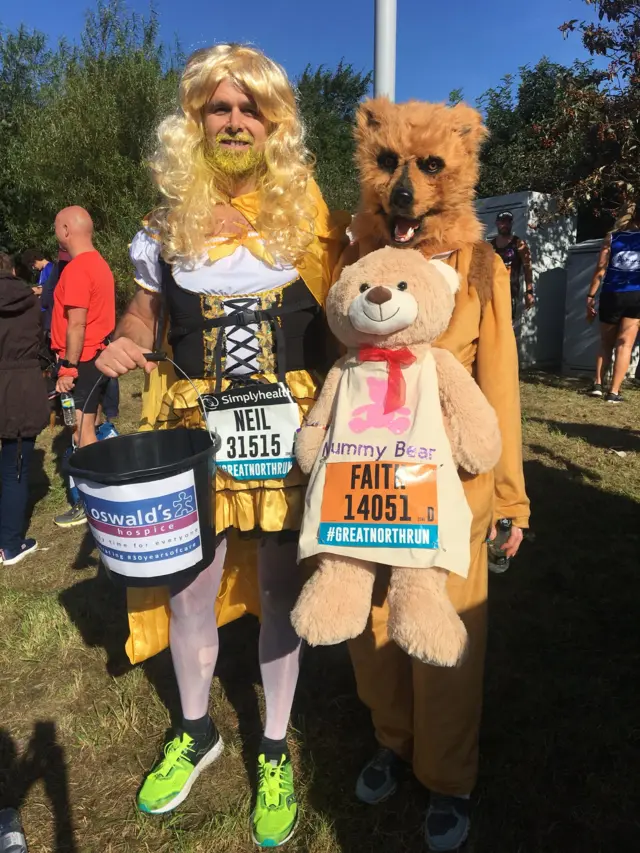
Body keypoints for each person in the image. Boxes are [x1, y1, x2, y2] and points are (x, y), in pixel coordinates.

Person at [95, 44, 346, 847]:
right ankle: (198, 730)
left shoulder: (312, 218)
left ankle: (272, 746)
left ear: (271, 122)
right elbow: (146, 315)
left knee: (280, 590)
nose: (234, 121)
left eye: (249, 109)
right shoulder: (164, 225)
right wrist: (124, 338)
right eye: (219, 108)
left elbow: (346, 319)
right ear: (195, 120)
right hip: (194, 427)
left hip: (286, 426)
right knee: (189, 590)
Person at [341, 96, 530, 852]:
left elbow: (503, 386)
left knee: (448, 633)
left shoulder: (482, 264)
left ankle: (448, 776)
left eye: (426, 167)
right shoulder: (356, 261)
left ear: (458, 162)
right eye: (389, 163)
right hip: (368, 479)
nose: (405, 186)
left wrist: (512, 496)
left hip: (455, 487)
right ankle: (394, 737)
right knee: (374, 622)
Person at [51, 207, 116, 528]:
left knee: (82, 433)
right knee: (90, 426)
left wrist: (68, 368)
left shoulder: (77, 270)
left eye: (56, 229)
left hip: (83, 360)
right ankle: (103, 496)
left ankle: (95, 503)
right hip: (98, 356)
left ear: (65, 230)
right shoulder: (100, 264)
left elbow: (76, 324)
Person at [0, 253, 49, 565]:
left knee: (12, 468)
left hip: (14, 380)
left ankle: (9, 542)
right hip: (22, 388)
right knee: (15, 467)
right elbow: (42, 338)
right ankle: (9, 543)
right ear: (13, 270)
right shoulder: (31, 302)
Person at [586, 201, 640, 403]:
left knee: (605, 342)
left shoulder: (612, 238)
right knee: (625, 345)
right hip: (636, 296)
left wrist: (590, 297)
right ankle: (614, 392)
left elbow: (600, 269)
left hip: (611, 293)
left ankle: (598, 384)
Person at [490, 211, 535, 320]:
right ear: (497, 223)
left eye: (508, 222)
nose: (505, 225)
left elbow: (527, 267)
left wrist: (529, 292)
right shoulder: (491, 245)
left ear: (511, 224)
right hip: (491, 292)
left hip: (510, 292)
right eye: (502, 222)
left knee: (507, 325)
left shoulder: (519, 243)